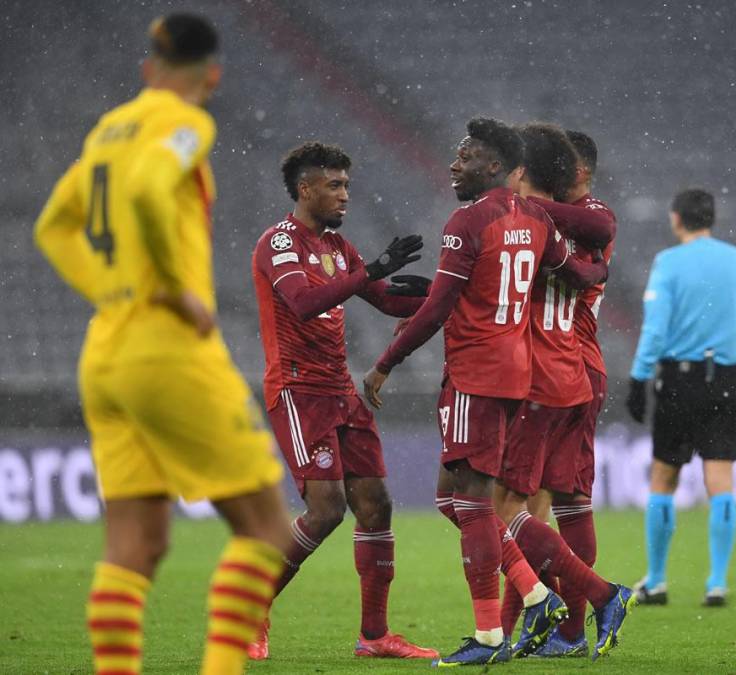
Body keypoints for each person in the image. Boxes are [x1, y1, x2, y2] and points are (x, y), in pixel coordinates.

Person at [33, 14, 290, 675]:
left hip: (105, 351)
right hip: (166, 347)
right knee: (265, 527)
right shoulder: (189, 121)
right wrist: (175, 289)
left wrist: (111, 288)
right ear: (212, 75)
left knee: (135, 543)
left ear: (146, 69)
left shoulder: (107, 129)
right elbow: (151, 184)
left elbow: (53, 226)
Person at [361, 117, 619, 666]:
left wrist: (389, 359)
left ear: (521, 170)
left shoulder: (539, 216)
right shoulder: (540, 223)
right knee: (507, 503)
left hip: (526, 374)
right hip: (542, 372)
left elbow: (455, 302)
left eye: (468, 156)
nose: (456, 164)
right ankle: (546, 606)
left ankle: (528, 622)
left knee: (494, 506)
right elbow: (554, 274)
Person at [249, 142, 437, 660]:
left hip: (339, 390)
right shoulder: (279, 243)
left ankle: (374, 637)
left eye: (347, 185)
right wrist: (373, 268)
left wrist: (444, 290)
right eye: (334, 185)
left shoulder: (338, 247)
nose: (345, 195)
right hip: (296, 390)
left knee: (376, 504)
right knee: (326, 509)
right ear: (305, 188)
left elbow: (382, 299)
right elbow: (305, 303)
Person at [494, 122, 631, 660]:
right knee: (548, 507)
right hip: (562, 369)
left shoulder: (591, 217)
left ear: (578, 171)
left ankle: (569, 624)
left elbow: (594, 231)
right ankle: (538, 629)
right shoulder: (563, 222)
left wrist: (517, 205)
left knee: (523, 507)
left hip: (563, 368)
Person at [625, 188, 736, 607]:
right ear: (711, 219)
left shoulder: (668, 263)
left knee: (665, 477)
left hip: (679, 380)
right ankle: (716, 581)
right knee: (720, 480)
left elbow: (656, 328)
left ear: (676, 218)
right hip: (726, 376)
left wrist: (638, 377)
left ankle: (658, 581)